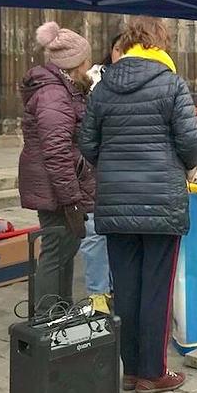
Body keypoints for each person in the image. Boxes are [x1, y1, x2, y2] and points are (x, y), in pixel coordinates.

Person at [79, 16, 197, 393]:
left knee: (127, 289)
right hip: (161, 200)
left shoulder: (102, 89)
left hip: (116, 201)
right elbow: (191, 142)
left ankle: (131, 369)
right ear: (159, 45)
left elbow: (87, 143)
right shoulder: (172, 84)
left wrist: (114, 166)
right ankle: (153, 372)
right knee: (157, 290)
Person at [18, 22, 95, 312]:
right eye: (86, 59)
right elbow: (57, 151)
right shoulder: (53, 95)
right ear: (75, 62)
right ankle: (47, 314)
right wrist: (71, 199)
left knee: (64, 248)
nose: (89, 64)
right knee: (55, 250)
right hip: (56, 188)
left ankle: (59, 310)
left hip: (56, 185)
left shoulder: (62, 89)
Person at [81, 35, 123, 315]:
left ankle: (112, 286)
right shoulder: (95, 79)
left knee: (116, 233)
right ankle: (97, 292)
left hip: (122, 170)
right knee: (95, 232)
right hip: (98, 169)